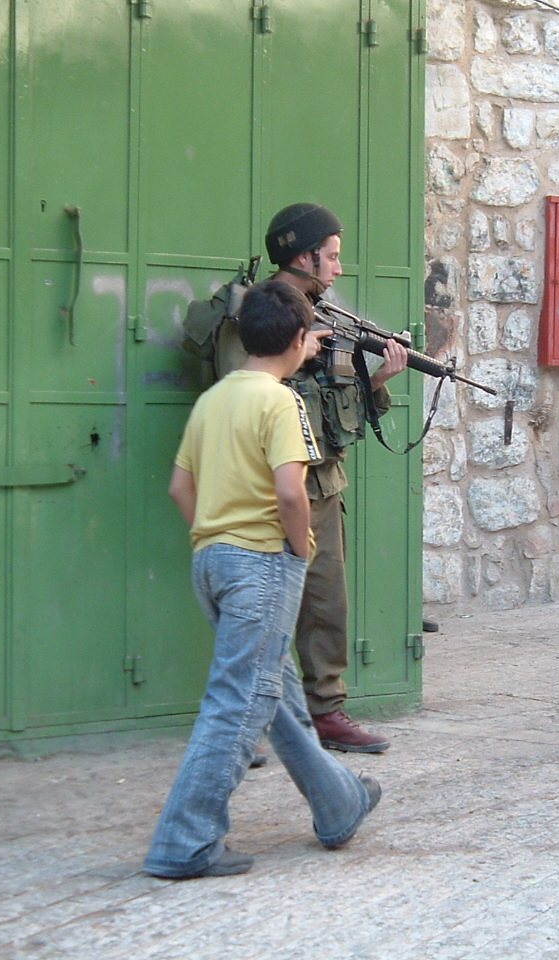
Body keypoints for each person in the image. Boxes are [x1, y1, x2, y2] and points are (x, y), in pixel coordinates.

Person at [143, 281, 380, 880]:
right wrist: (298, 550)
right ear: (301, 341)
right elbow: (289, 491)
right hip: (263, 563)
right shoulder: (281, 403)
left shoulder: (214, 399)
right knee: (239, 702)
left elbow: (179, 487)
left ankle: (339, 802)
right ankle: (184, 841)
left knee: (272, 692)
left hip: (213, 560)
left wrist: (215, 534)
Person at [264, 202, 408, 753]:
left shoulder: (324, 315)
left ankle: (322, 712)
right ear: (304, 256)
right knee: (273, 605)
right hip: (284, 482)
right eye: (332, 256)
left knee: (324, 603)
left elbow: (326, 405)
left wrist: (378, 379)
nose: (339, 268)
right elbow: (264, 393)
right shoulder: (271, 313)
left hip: (318, 481)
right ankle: (284, 719)